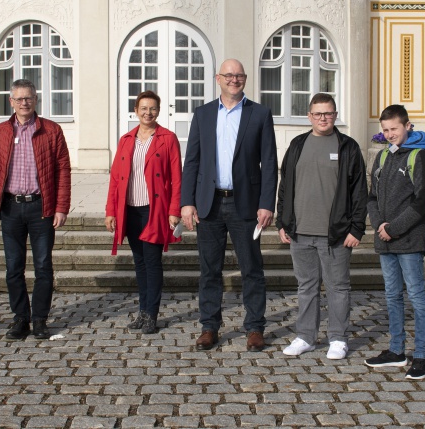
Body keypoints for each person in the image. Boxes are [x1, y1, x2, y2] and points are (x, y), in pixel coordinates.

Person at [181, 58, 278, 352]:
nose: (234, 79)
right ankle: (209, 326)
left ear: (245, 79)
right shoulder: (203, 114)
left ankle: (255, 328)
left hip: (245, 205)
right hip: (209, 205)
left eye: (239, 75)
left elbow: (270, 162)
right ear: (218, 78)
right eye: (229, 75)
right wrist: (187, 202)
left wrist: (267, 203)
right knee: (210, 270)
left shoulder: (259, 114)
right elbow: (193, 161)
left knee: (252, 269)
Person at [275, 93, 367, 360]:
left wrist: (357, 228)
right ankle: (305, 336)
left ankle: (338, 338)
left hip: (335, 234)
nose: (323, 118)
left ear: (335, 115)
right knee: (306, 287)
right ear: (309, 116)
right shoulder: (297, 144)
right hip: (300, 231)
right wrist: (283, 222)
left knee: (338, 287)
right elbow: (285, 187)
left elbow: (359, 191)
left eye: (328, 113)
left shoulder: (347, 147)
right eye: (318, 113)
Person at [0, 79, 71, 341]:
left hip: (40, 207)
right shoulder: (1, 131)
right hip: (11, 208)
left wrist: (61, 207)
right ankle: (20, 318)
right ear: (11, 101)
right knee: (13, 268)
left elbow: (62, 169)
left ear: (36, 99)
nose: (24, 102)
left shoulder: (51, 130)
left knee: (43, 266)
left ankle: (40, 319)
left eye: (29, 98)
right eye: (19, 99)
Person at [105, 90, 182, 334]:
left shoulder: (167, 138)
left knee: (152, 261)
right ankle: (143, 311)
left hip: (154, 210)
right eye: (144, 108)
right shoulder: (126, 139)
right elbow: (116, 178)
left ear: (158, 111)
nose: (148, 113)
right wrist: (111, 211)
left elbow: (177, 178)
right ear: (136, 111)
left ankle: (152, 314)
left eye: (153, 109)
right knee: (139, 263)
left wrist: (174, 210)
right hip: (130, 210)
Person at [365, 104, 425, 379]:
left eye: (394, 128)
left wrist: (394, 228)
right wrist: (379, 224)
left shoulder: (419, 157)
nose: (390, 134)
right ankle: (396, 350)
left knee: (416, 296)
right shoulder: (382, 158)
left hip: (408, 240)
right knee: (392, 295)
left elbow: (421, 202)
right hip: (385, 240)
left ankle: (422, 356)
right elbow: (371, 197)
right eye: (385, 130)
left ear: (407, 126)